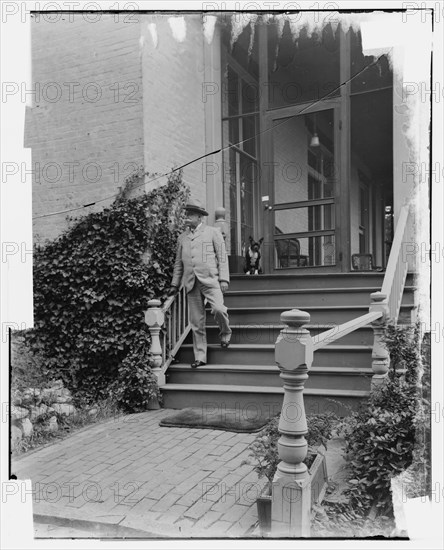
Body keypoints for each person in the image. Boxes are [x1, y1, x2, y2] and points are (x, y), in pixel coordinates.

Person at [168, 199, 232, 368]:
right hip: (190, 283)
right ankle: (200, 356)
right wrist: (175, 284)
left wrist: (224, 279)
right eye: (186, 214)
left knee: (218, 309)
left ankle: (225, 332)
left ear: (199, 217)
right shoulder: (182, 238)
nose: (186, 217)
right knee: (197, 322)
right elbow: (178, 264)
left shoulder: (212, 232)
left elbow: (222, 257)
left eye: (190, 214)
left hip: (211, 279)